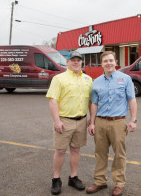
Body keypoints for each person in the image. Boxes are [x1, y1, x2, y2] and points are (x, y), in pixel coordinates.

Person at [86, 51, 137, 196]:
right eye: (105, 61)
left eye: (111, 60)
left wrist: (133, 120)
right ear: (101, 64)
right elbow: (94, 103)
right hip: (100, 122)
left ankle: (119, 184)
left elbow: (132, 100)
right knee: (100, 153)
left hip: (118, 122)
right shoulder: (96, 81)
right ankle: (100, 181)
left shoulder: (125, 79)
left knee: (119, 154)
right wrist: (92, 122)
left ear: (115, 62)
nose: (108, 63)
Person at [46, 51, 93, 195]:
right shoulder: (59, 79)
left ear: (82, 62)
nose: (76, 62)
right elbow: (53, 99)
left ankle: (73, 177)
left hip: (82, 120)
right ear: (67, 62)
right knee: (60, 150)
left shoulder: (88, 79)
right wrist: (57, 120)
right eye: (73, 60)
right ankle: (56, 179)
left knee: (76, 150)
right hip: (65, 121)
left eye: (79, 60)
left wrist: (92, 119)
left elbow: (91, 101)